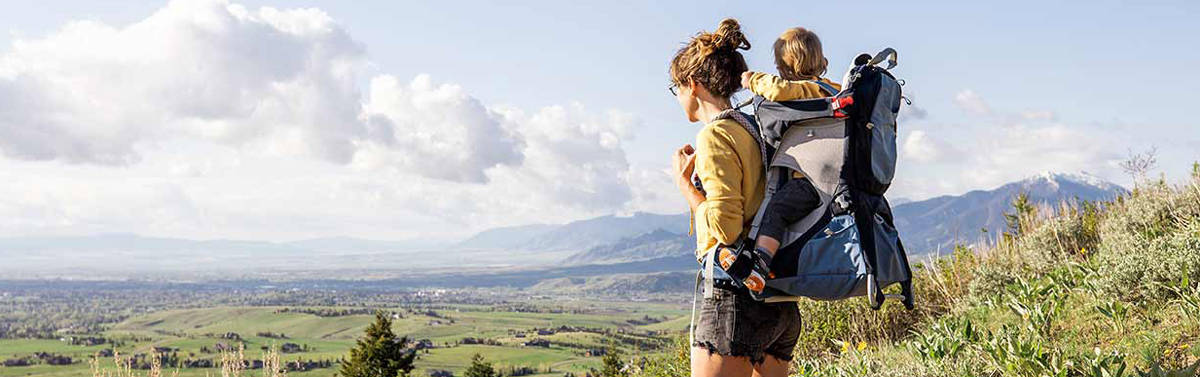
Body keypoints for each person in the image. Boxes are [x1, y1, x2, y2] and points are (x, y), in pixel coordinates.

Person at [669, 18, 799, 377]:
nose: (678, 97)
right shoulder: (757, 128)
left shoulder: (714, 136)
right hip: (780, 302)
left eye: (675, 88)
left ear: (692, 85)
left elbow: (726, 227)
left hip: (735, 300)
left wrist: (687, 189)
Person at [728, 27, 843, 298]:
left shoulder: (803, 90)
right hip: (837, 181)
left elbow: (777, 90)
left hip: (811, 183)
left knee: (778, 209)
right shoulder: (835, 90)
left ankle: (760, 263)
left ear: (786, 67)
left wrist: (750, 78)